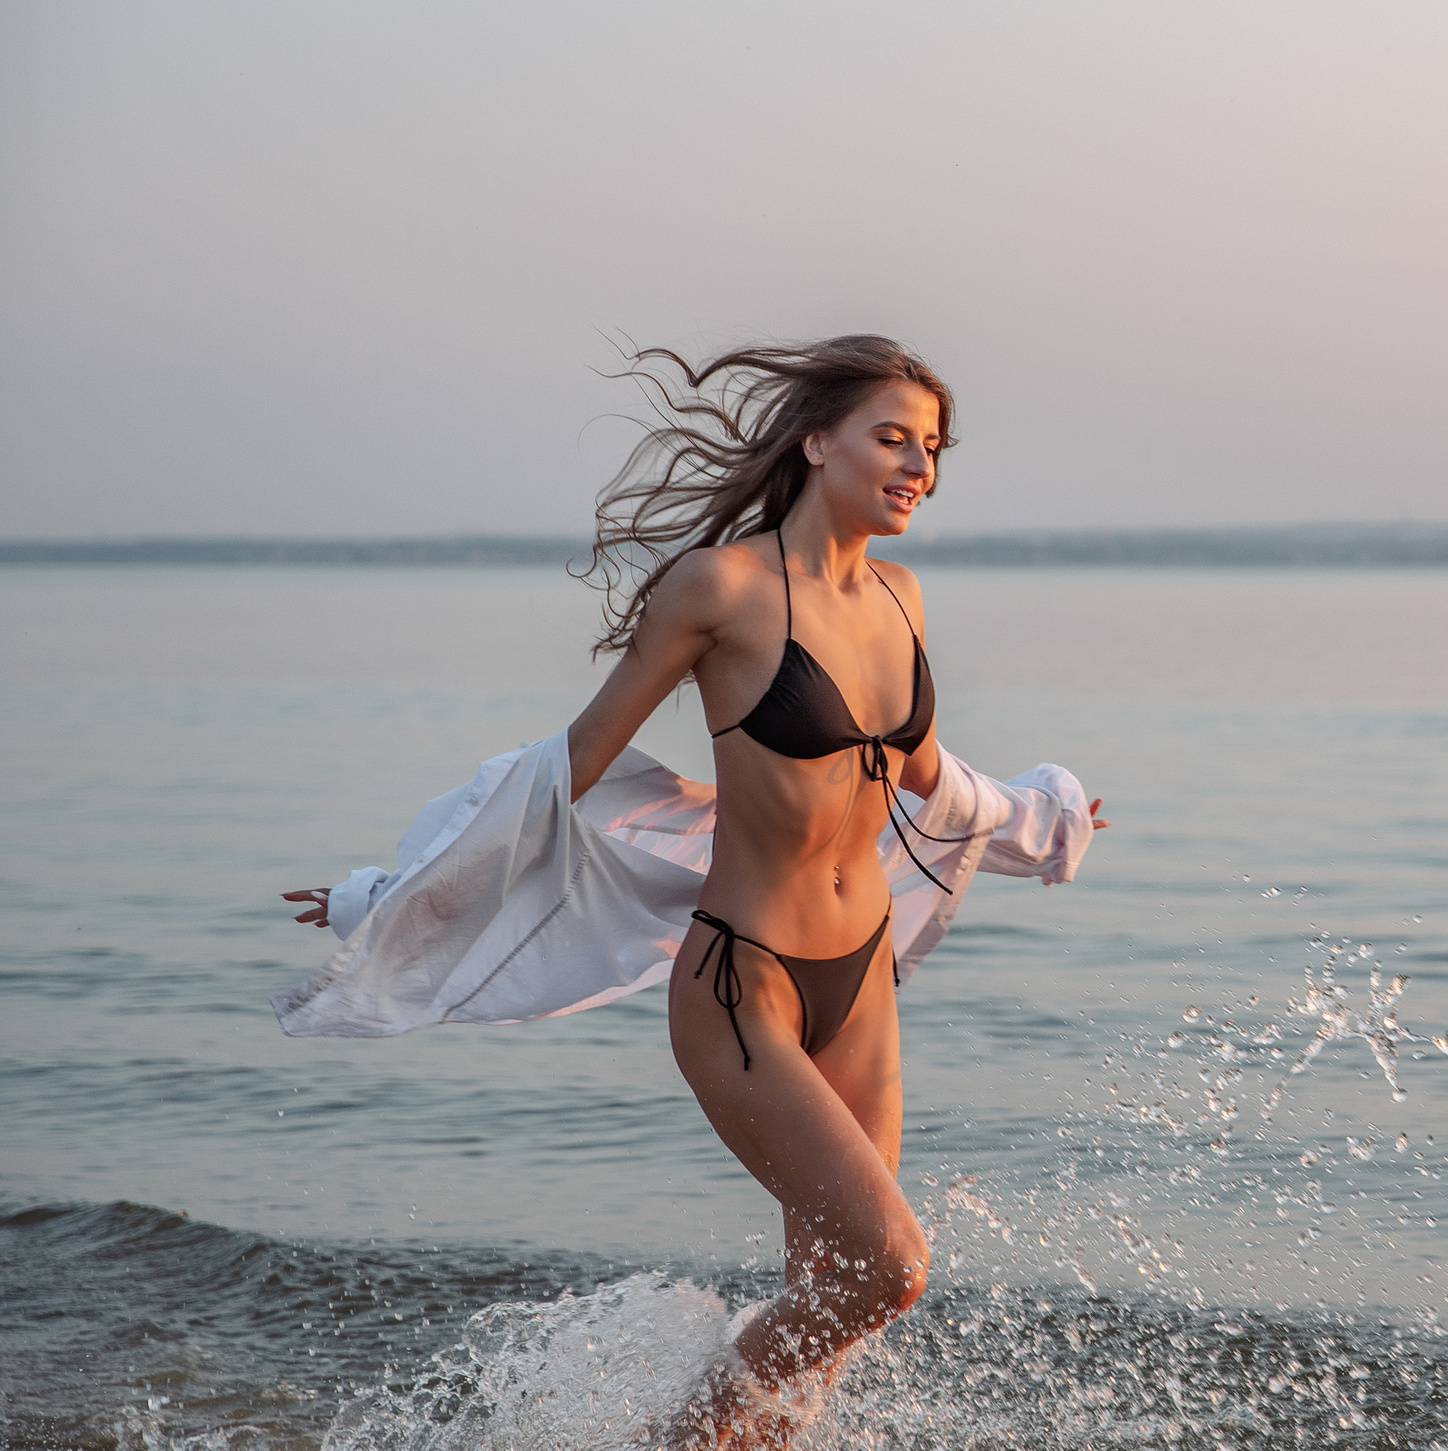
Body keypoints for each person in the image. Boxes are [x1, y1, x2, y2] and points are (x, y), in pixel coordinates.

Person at [281, 336, 1102, 1447]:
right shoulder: (721, 588)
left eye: (933, 449)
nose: (919, 466)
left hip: (861, 983)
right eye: (893, 438)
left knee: (830, 1307)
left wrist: (1043, 816)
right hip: (743, 983)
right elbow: (565, 772)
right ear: (818, 443)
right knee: (888, 1268)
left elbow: (923, 773)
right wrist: (387, 896)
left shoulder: (899, 596)